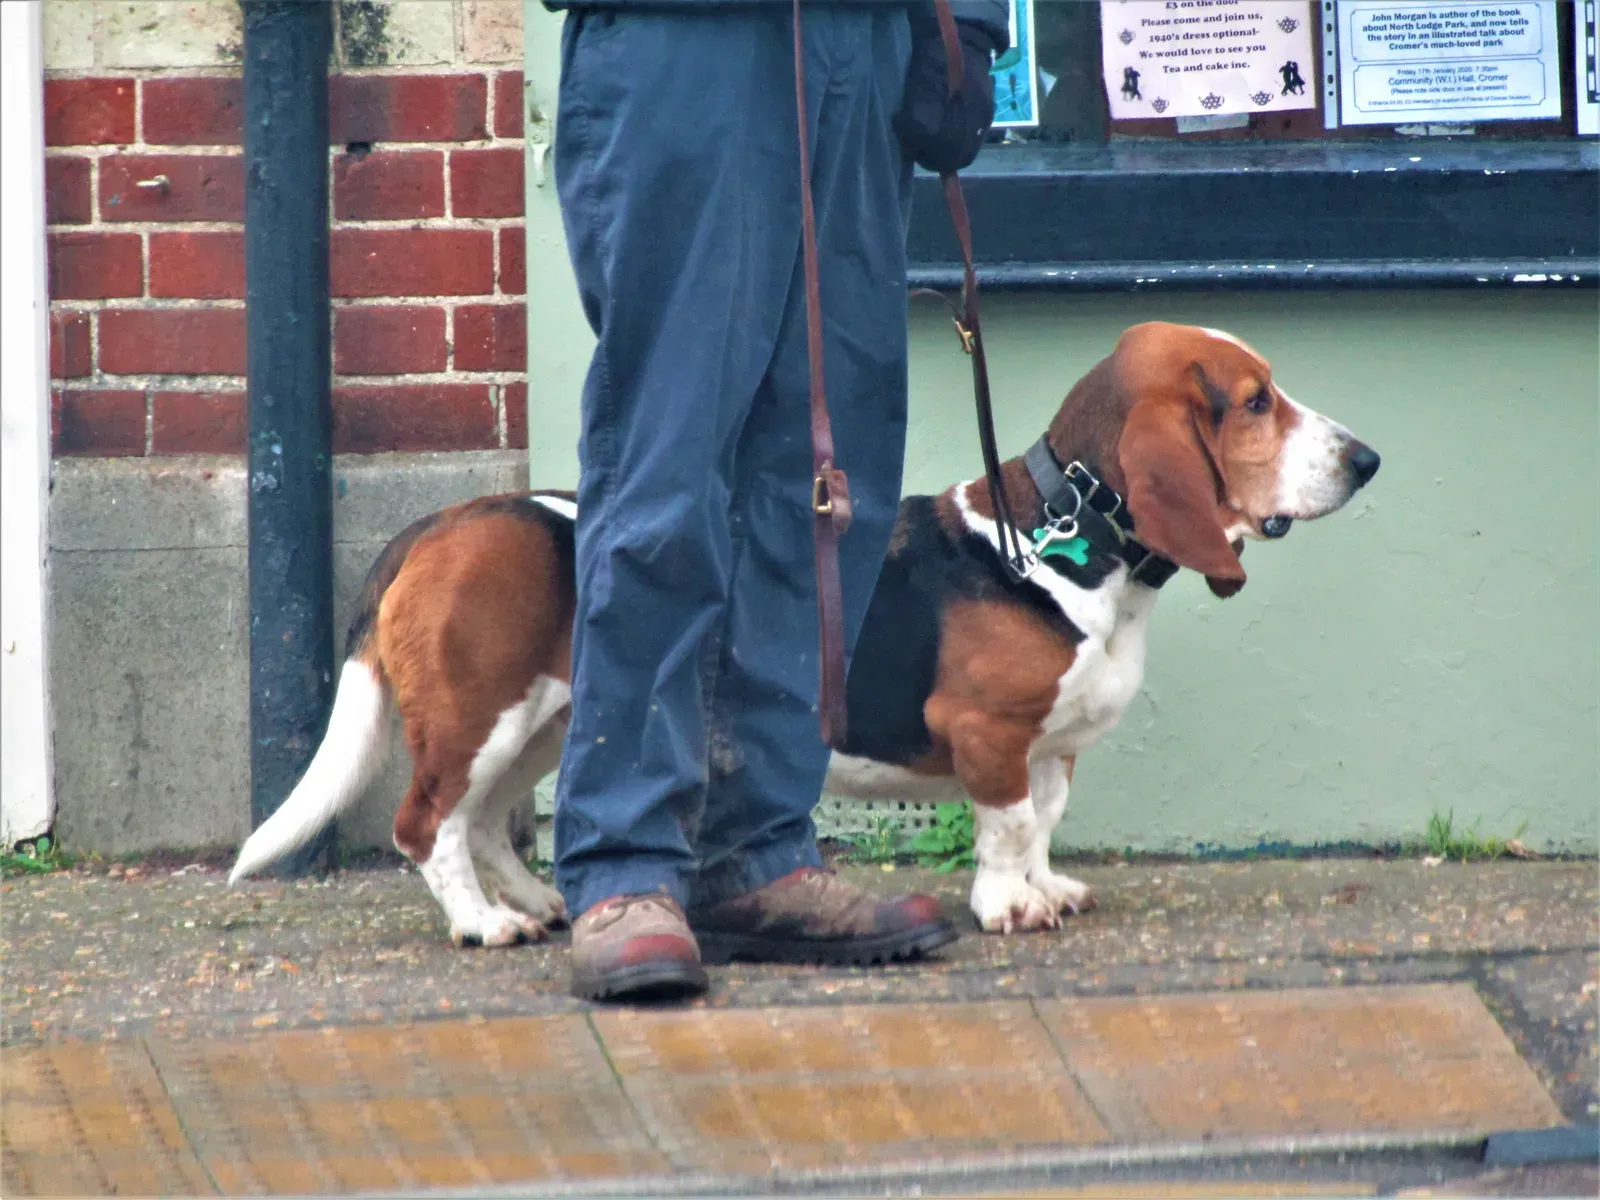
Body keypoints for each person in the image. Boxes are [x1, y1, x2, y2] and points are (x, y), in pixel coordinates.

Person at [540, 0, 1008, 1002]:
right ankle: (625, 863)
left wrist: (961, 22)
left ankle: (751, 852)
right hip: (692, 40)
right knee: (670, 461)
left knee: (826, 467)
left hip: (860, 38)